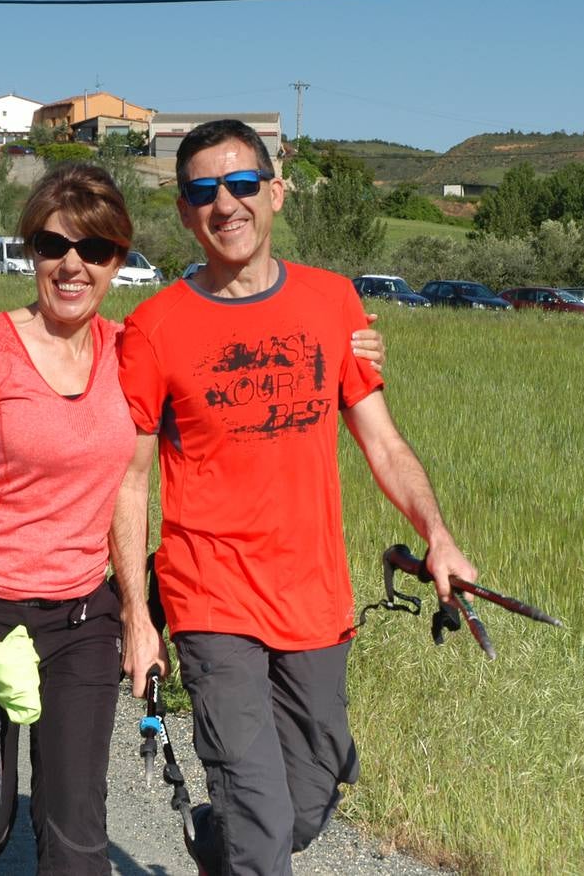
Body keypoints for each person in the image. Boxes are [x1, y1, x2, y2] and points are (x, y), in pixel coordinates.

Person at [0, 162, 385, 875]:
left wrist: (347, 338)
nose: (72, 266)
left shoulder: (129, 345)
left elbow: (230, 391)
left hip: (80, 617)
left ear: (117, 260)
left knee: (76, 841)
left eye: (96, 250)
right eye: (53, 246)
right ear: (30, 252)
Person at [114, 120, 479, 876]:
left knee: (304, 804)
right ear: (183, 212)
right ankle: (242, 840)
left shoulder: (332, 302)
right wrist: (133, 616)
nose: (226, 204)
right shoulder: (153, 328)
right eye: (203, 191)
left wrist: (437, 534)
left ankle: (220, 845)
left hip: (313, 598)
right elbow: (130, 479)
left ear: (274, 193)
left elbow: (381, 441)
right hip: (209, 596)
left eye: (242, 184)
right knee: (259, 812)